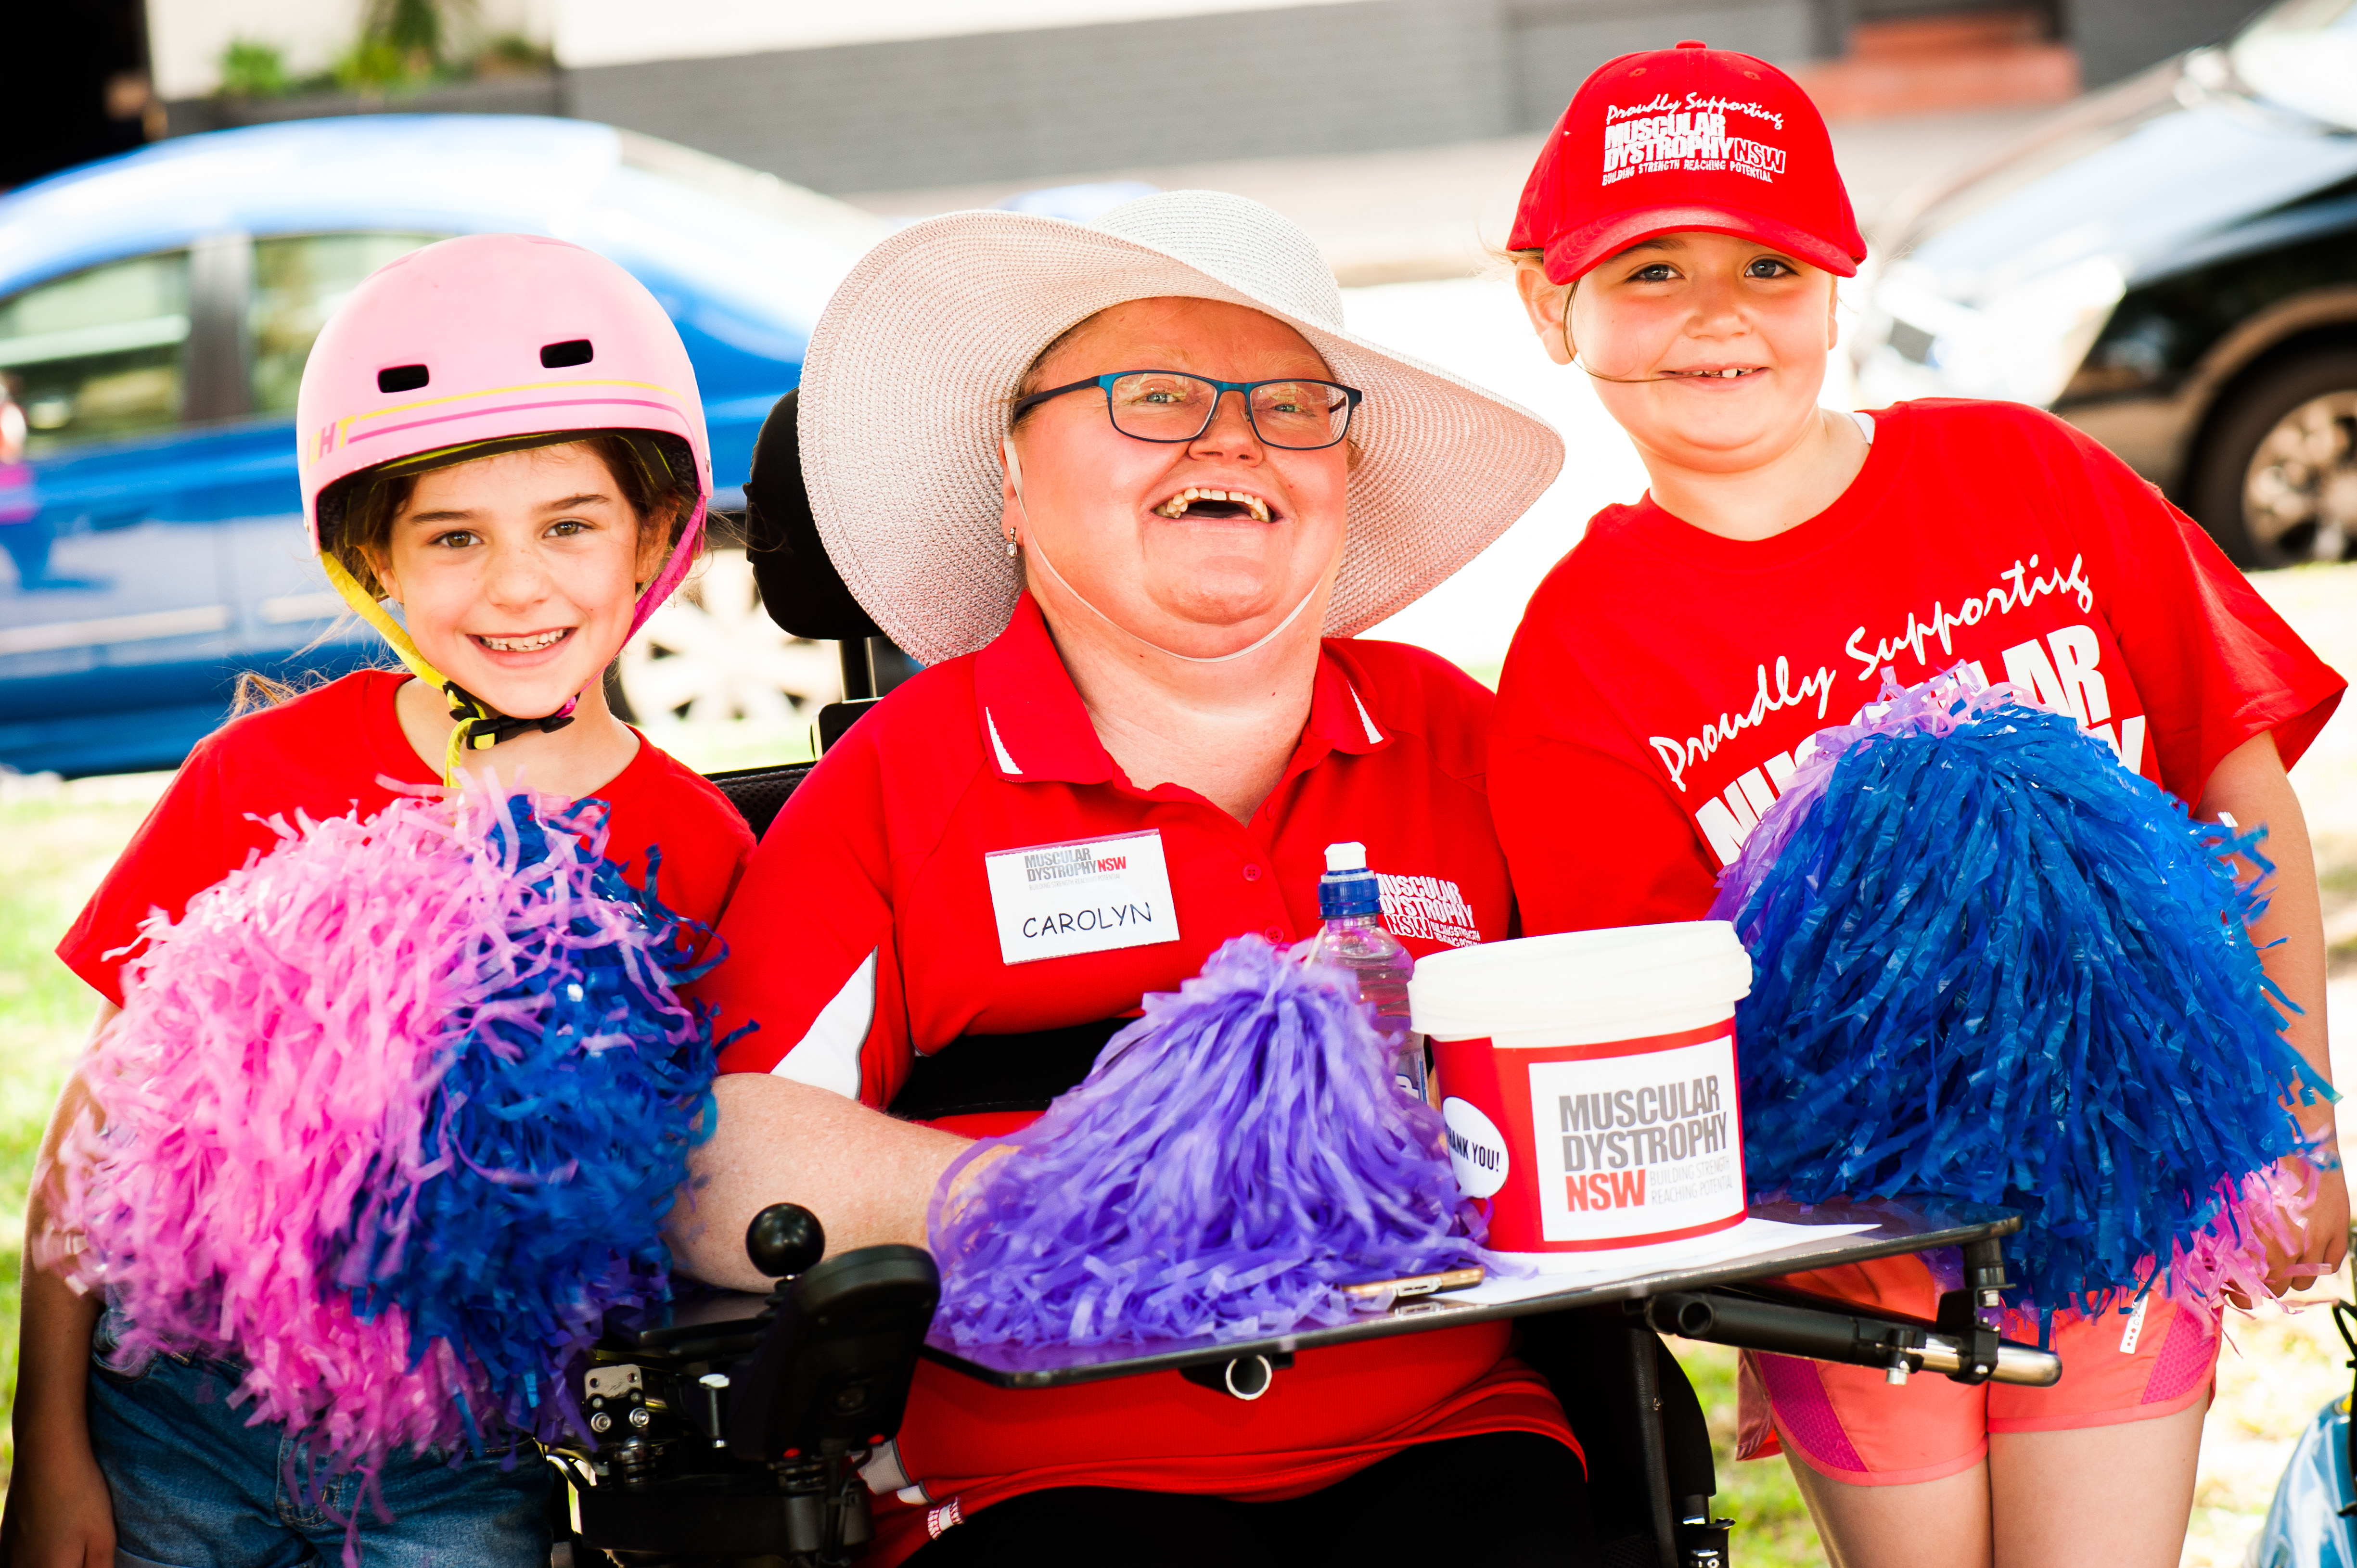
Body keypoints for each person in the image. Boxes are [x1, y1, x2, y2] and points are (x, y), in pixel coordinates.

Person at [1486, 39, 2348, 1568]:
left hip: (2123, 1179)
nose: (1716, 314)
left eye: (1766, 264)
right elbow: (1643, 1028)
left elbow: (2236, 778)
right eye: (1649, 269)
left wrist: (2299, 1125)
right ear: (1549, 305)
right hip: (1845, 1254)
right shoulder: (1578, 648)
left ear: (1838, 287)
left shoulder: (2021, 471)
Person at [679, 190, 1589, 1566]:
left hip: (1457, 1446)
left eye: (1291, 406)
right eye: (1155, 397)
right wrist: (1084, 1198)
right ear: (1010, 478)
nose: (1231, 438)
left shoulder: (1464, 740)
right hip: (1040, 1488)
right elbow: (715, 1158)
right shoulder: (905, 780)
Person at [2, 234, 755, 1568]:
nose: (517, 585)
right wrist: (47, 1437)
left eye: (569, 525)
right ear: (376, 561)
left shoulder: (693, 848)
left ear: (653, 536)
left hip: (461, 1466)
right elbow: (100, 1122)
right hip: (175, 1426)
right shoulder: (261, 776)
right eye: (454, 536)